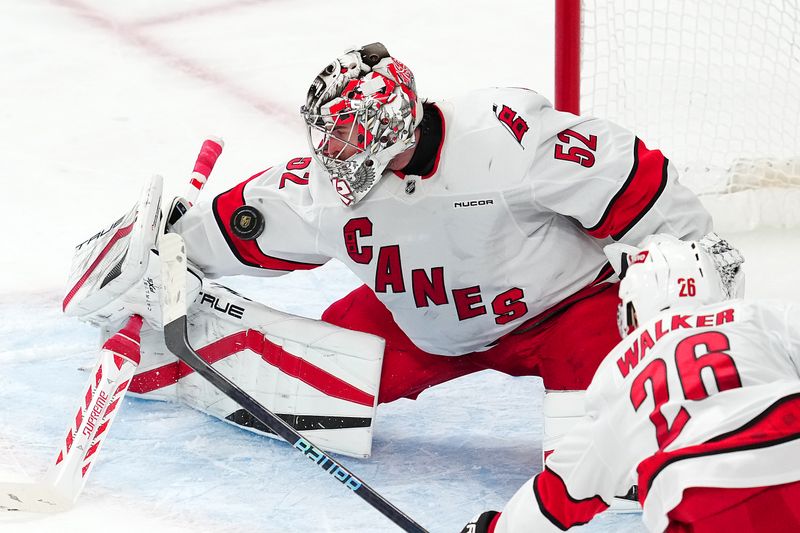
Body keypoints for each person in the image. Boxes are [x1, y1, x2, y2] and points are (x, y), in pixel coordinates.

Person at [165, 41, 715, 463]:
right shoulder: (330, 187)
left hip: (563, 313)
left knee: (597, 459)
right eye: (326, 137)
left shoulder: (507, 139)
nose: (331, 154)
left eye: (347, 136)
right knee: (309, 387)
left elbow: (639, 187)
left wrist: (696, 281)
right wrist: (172, 249)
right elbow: (252, 219)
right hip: (424, 322)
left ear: (390, 124)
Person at [460, 234, 800, 533]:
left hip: (696, 494)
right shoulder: (757, 315)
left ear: (635, 307)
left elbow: (561, 492)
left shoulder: (620, 370)